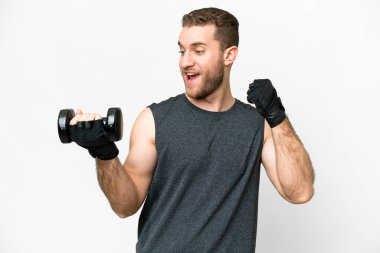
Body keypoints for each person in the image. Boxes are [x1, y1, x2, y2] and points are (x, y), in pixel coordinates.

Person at [68, 7, 315, 253]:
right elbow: (125, 205)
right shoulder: (154, 120)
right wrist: (104, 154)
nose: (186, 61)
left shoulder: (256, 126)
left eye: (198, 51)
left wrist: (277, 116)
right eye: (182, 50)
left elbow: (300, 192)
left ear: (229, 55)